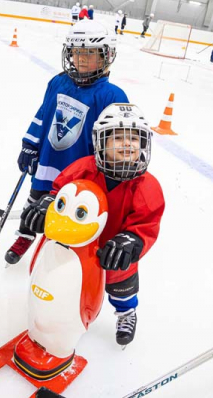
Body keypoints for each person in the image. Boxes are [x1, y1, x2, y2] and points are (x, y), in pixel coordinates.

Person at [21, 103, 165, 346]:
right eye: (118, 138)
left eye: (135, 139)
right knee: (69, 283)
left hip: (115, 254)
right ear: (102, 141)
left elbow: (147, 223)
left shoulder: (146, 186)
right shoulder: (82, 169)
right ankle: (62, 313)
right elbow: (59, 192)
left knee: (122, 287)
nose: (128, 144)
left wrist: (133, 240)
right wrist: (48, 203)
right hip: (78, 249)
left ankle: (126, 313)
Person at [4, 19, 129, 265]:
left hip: (82, 167)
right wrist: (30, 143)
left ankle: (64, 250)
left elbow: (115, 140)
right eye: (77, 52)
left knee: (72, 208)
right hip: (50, 159)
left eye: (91, 53)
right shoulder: (59, 82)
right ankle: (26, 236)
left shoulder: (112, 95)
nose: (82, 58)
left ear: (107, 55)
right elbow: (44, 114)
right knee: (36, 200)